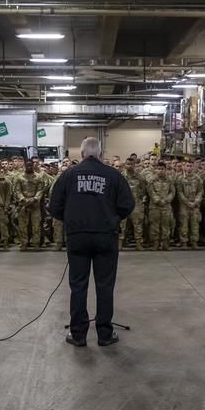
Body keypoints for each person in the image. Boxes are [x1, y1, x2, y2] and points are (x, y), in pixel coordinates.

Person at [49, 137, 134, 348]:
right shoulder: (113, 174)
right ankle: (105, 334)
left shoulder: (68, 174)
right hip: (106, 236)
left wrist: (70, 220)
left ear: (81, 153)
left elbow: (53, 206)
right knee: (105, 285)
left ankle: (78, 335)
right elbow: (128, 204)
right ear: (100, 153)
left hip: (78, 237)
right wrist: (113, 219)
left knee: (78, 285)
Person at [146, 161, 175, 250]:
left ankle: (165, 243)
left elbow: (172, 192)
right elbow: (150, 191)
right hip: (155, 206)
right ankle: (155, 244)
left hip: (166, 207)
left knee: (166, 225)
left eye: (162, 169)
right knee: (154, 226)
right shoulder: (151, 180)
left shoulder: (169, 179)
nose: (160, 171)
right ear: (156, 170)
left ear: (165, 170)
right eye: (158, 169)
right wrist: (158, 200)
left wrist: (166, 200)